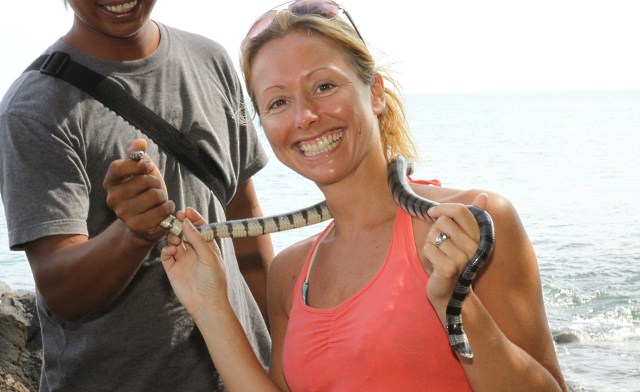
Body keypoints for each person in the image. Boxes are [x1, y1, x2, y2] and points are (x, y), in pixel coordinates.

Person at [161, 1, 568, 391]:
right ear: (263, 125)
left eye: (323, 86)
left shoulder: (471, 220)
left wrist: (456, 303)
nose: (304, 116)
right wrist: (209, 305)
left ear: (375, 92)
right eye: (279, 101)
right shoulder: (290, 272)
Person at [0, 0, 273, 390]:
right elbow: (59, 290)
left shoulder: (212, 61)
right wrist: (131, 235)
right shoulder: (34, 109)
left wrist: (276, 358)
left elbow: (248, 227)